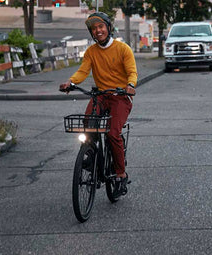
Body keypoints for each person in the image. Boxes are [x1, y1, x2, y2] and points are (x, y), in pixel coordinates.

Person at [60, 12, 137, 195]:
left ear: (108, 28)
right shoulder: (91, 52)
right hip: (101, 95)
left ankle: (120, 174)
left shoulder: (123, 49)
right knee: (88, 125)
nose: (98, 31)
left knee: (112, 133)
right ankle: (91, 154)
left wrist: (130, 85)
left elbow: (132, 72)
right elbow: (83, 71)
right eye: (94, 29)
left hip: (120, 96)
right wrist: (71, 83)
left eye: (101, 26)